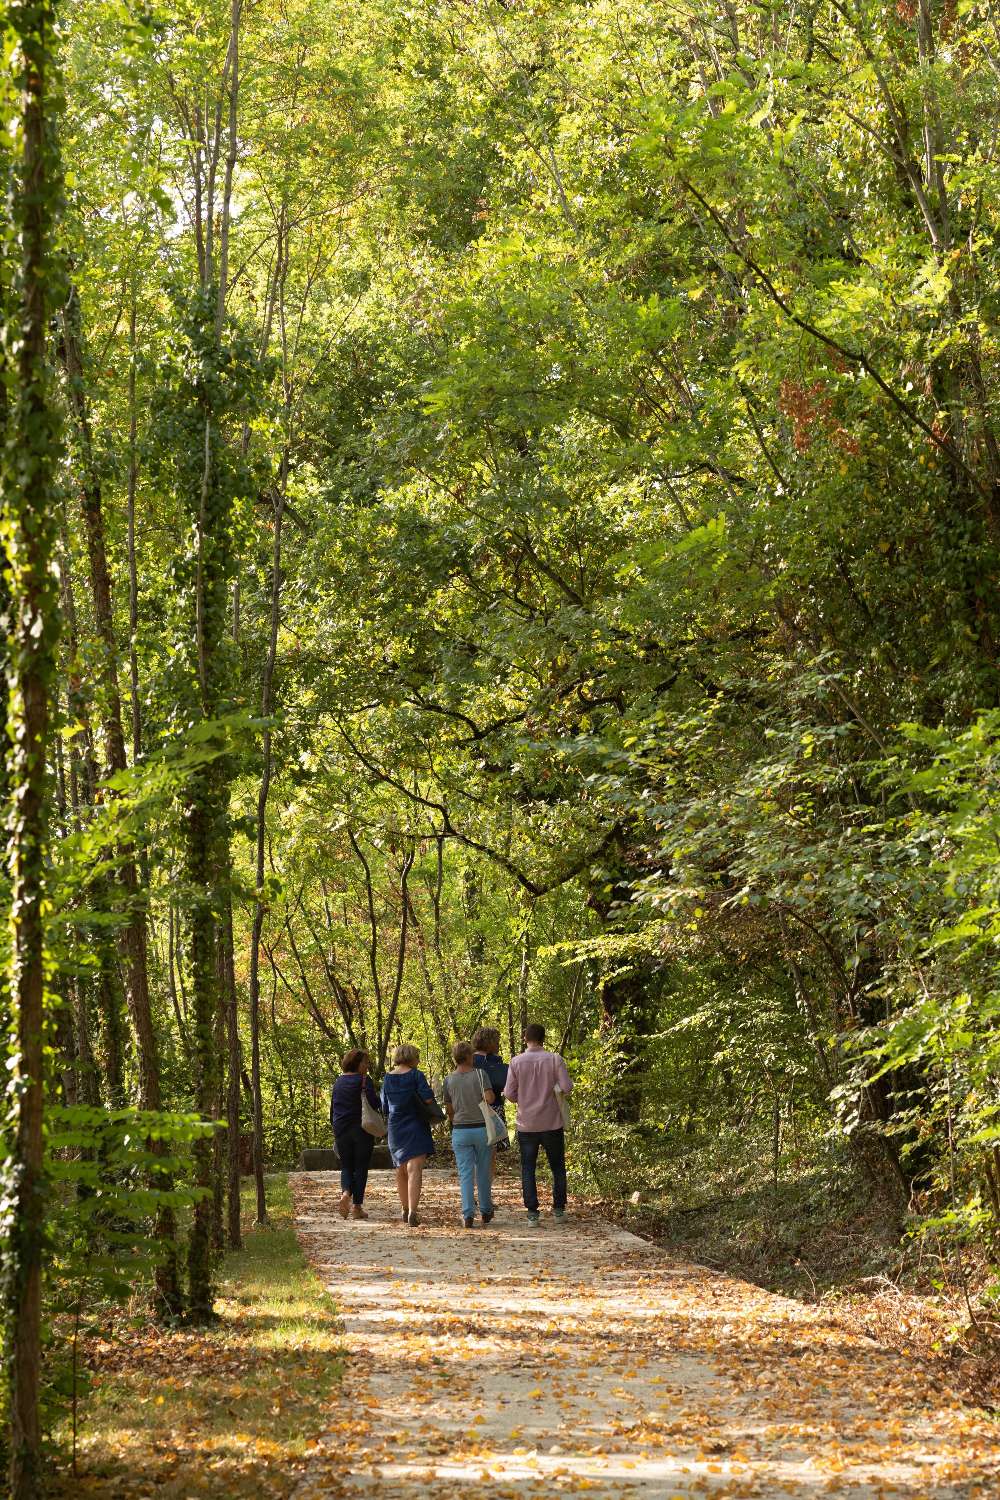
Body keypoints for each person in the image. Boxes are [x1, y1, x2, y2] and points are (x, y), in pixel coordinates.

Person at [503, 1022, 573, 1226]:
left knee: (528, 1168)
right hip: (552, 1122)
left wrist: (521, 1099)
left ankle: (533, 1214)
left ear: (526, 1038)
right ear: (544, 1038)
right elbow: (567, 1087)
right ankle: (559, 1211)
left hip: (526, 1124)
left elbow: (509, 1093)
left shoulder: (516, 1062)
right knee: (558, 1167)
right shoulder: (554, 1059)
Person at [381, 1042, 437, 1227]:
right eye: (417, 1057)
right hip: (415, 1123)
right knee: (415, 1170)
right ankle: (413, 1210)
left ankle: (404, 1209)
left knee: (401, 1170)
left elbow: (384, 1107)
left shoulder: (387, 1079)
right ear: (412, 1057)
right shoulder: (416, 1075)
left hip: (396, 1126)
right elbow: (428, 1098)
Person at [443, 1039, 496, 1228]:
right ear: (468, 1056)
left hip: (460, 1130)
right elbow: (490, 1098)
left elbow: (449, 1109)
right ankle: (486, 1210)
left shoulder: (448, 1080)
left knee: (465, 1173)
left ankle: (467, 1214)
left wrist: (455, 1117)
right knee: (483, 1171)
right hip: (482, 1129)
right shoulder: (480, 1075)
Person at [329, 1047, 382, 1219]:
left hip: (341, 1128)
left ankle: (345, 1193)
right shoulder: (364, 1080)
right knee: (360, 1167)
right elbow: (375, 1104)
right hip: (362, 1128)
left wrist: (335, 1128)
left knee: (346, 1165)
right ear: (357, 1064)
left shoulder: (338, 1081)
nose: (367, 1065)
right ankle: (357, 1207)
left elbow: (333, 1108)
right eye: (365, 1062)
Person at [472, 1025, 509, 1182]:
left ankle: (475, 1189)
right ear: (491, 1042)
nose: (499, 1045)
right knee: (490, 1154)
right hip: (493, 1109)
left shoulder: (468, 1060)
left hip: (471, 1110)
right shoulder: (495, 1064)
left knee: (475, 1154)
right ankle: (485, 1192)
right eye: (497, 1041)